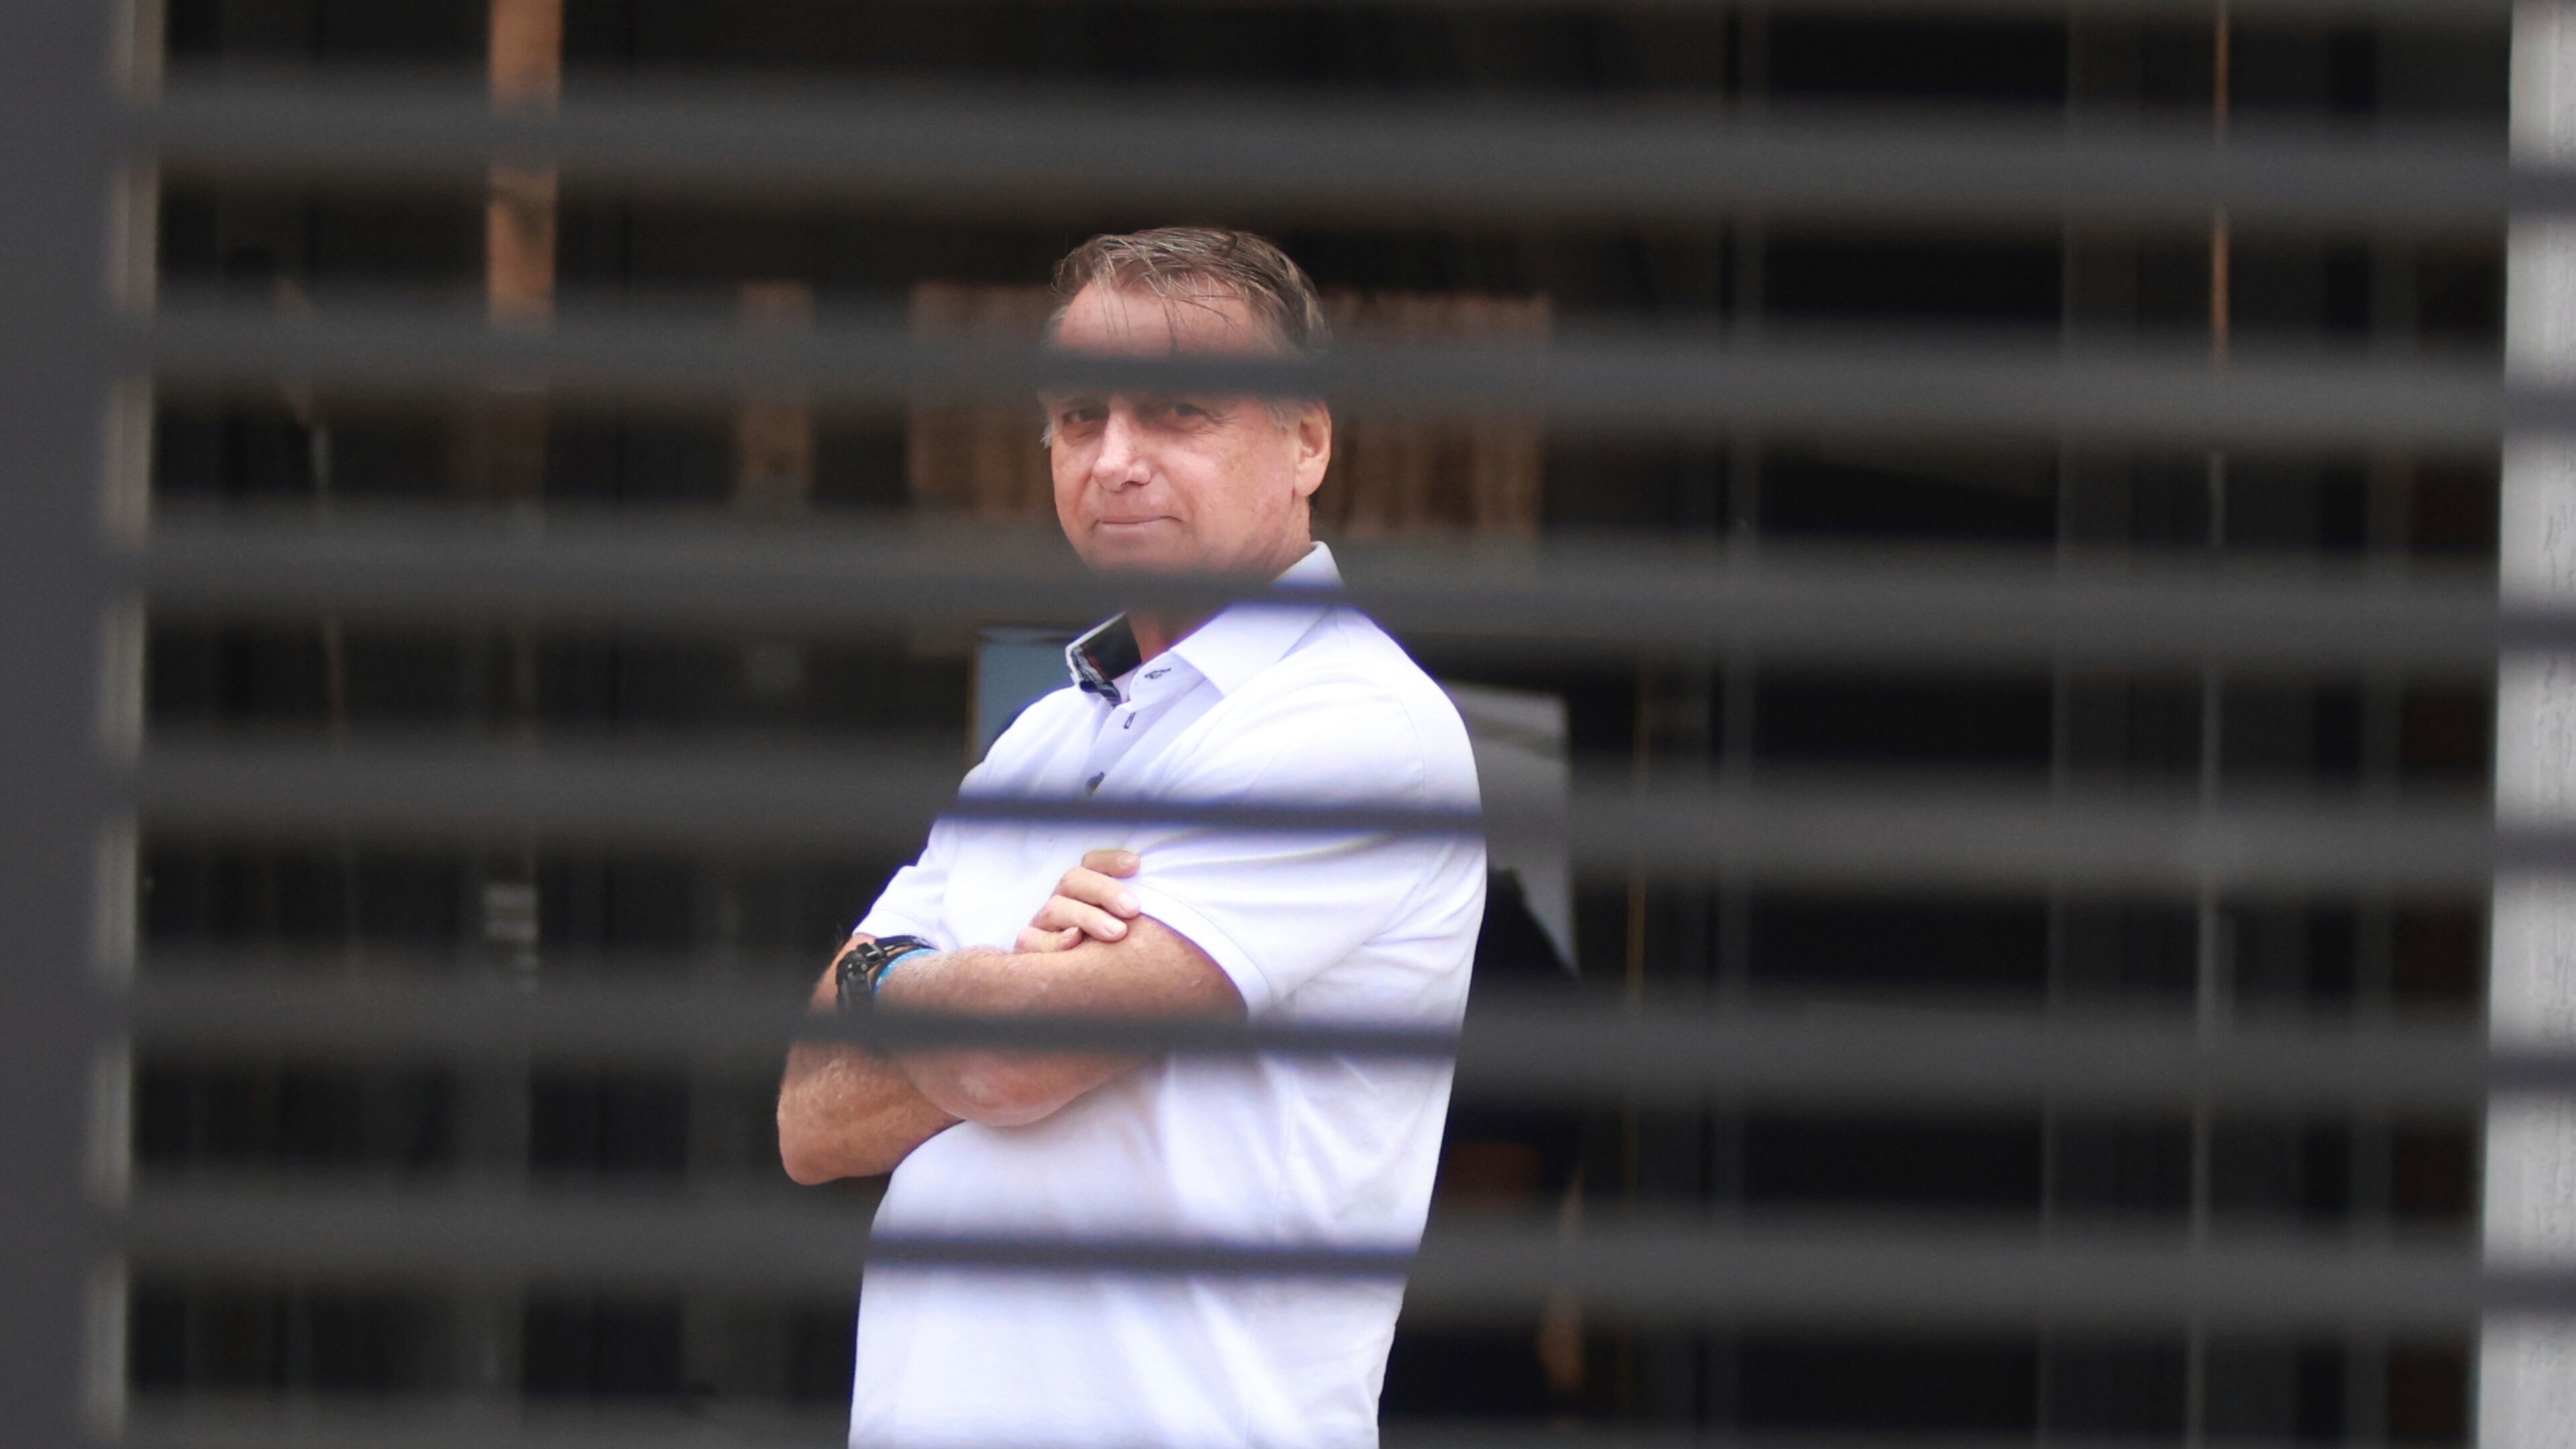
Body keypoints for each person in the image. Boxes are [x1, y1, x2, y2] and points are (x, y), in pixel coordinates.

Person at [775, 227, 1487, 1449]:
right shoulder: (1041, 745)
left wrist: (897, 988)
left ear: (1308, 438)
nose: (1115, 459)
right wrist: (979, 986)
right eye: (1079, 415)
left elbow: (1016, 1064)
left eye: (1178, 413)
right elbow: (810, 1119)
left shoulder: (1358, 726)